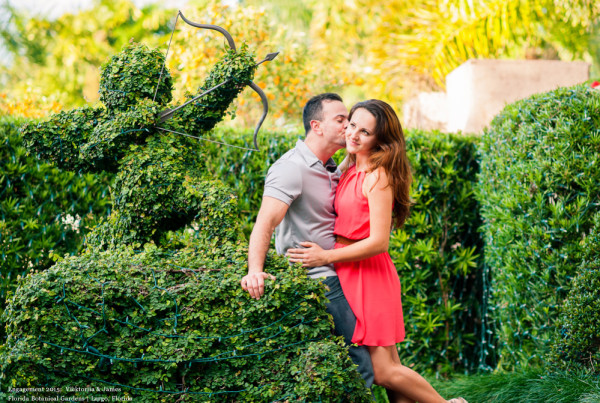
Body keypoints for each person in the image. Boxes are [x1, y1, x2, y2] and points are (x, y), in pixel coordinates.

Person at [286, 99, 467, 403]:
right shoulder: (352, 167)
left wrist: (325, 256)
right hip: (350, 273)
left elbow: (379, 241)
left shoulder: (377, 176)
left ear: (379, 140)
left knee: (383, 372)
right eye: (352, 125)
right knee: (391, 372)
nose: (354, 134)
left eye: (365, 132)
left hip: (368, 275)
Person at [241, 93, 375, 388]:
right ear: (316, 126)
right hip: (320, 280)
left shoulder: (329, 168)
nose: (348, 126)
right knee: (362, 365)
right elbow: (265, 221)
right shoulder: (291, 167)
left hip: (344, 273)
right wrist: (254, 270)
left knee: (365, 361)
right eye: (341, 120)